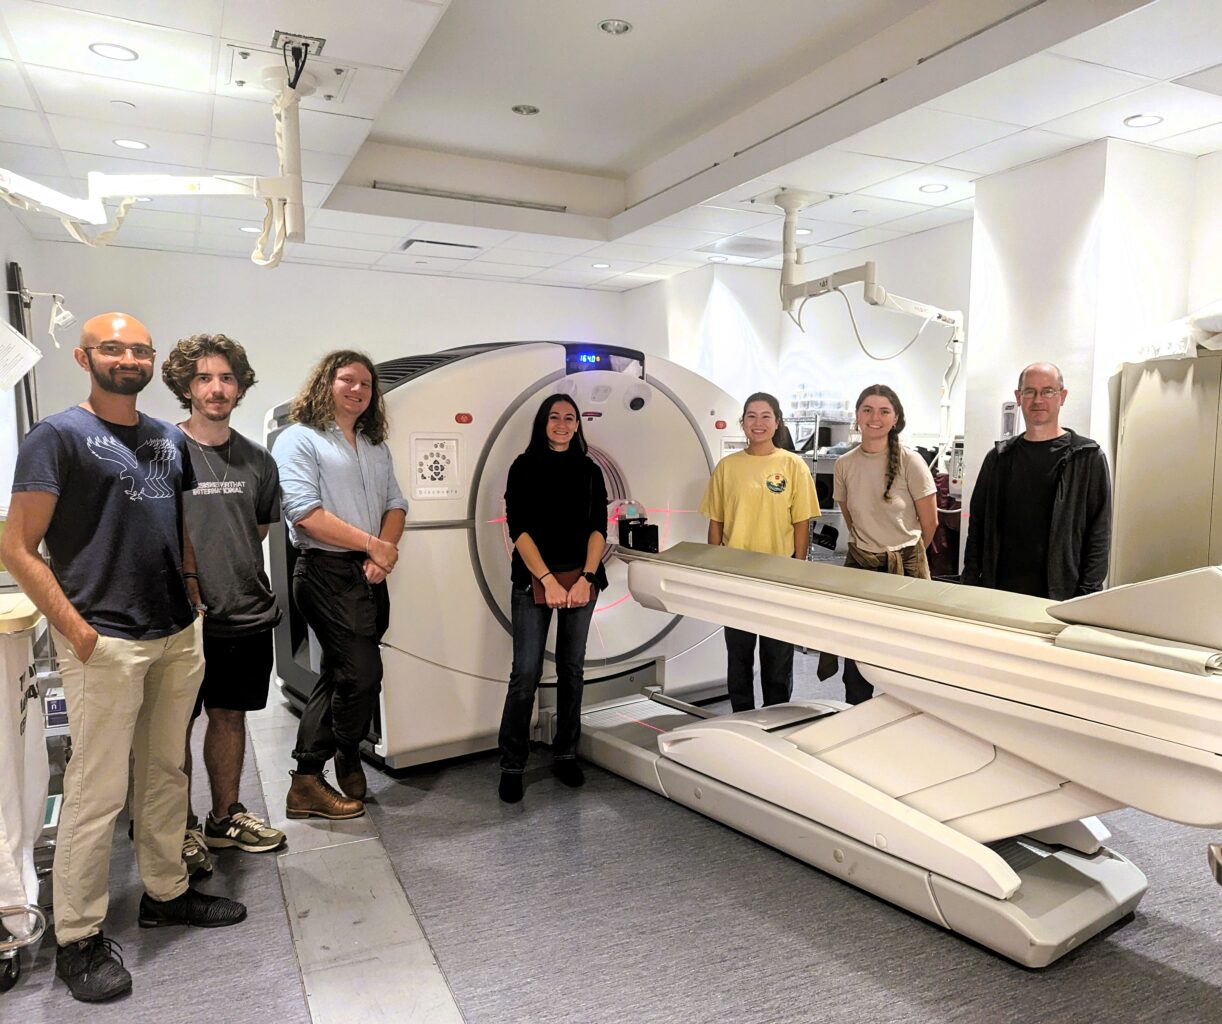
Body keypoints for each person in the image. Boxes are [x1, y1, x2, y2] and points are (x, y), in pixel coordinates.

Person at [2, 313, 246, 1004]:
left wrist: (191, 592)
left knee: (166, 773)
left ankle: (167, 892)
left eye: (139, 349)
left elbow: (178, 523)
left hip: (175, 633)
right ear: (85, 358)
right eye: (113, 348)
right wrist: (76, 631)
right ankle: (78, 937)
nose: (128, 358)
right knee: (97, 792)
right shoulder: (56, 437)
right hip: (105, 639)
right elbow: (17, 546)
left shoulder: (168, 437)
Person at [161, 334, 286, 860]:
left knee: (230, 716)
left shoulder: (258, 460)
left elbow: (256, 530)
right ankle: (179, 828)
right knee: (174, 729)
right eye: (204, 378)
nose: (217, 388)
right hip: (178, 619)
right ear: (186, 387)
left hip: (243, 611)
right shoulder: (162, 452)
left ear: (240, 386)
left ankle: (224, 817)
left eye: (227, 378)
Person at [273, 351, 408, 820]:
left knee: (340, 673)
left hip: (369, 572)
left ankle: (317, 775)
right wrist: (374, 546)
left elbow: (396, 504)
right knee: (362, 673)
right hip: (324, 570)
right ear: (325, 384)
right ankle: (329, 762)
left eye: (366, 384)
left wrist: (382, 552)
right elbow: (305, 514)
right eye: (347, 380)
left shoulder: (374, 445)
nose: (357, 390)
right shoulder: (299, 439)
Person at [497, 394, 609, 804]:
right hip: (533, 580)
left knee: (571, 670)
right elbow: (519, 529)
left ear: (578, 424)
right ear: (543, 422)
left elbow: (599, 528)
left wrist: (586, 577)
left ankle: (565, 753)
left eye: (570, 418)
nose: (562, 424)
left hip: (581, 579)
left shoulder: (590, 470)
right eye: (554, 417)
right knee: (525, 673)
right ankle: (512, 763)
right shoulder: (523, 467)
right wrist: (547, 580)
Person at [700, 392, 818, 712]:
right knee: (738, 657)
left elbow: (801, 522)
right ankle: (741, 717)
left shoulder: (793, 465)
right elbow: (716, 522)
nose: (758, 423)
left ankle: (776, 719)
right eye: (751, 416)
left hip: (778, 576)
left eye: (766, 416)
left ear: (777, 422)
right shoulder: (727, 467)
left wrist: (797, 570)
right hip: (736, 576)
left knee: (777, 658)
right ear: (743, 423)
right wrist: (713, 569)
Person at [962, 362, 1111, 600]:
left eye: (1047, 391)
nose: (1038, 400)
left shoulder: (1087, 458)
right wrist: (969, 583)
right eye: (1030, 391)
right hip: (999, 591)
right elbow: (977, 525)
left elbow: (1099, 534)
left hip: (1060, 594)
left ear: (1062, 396)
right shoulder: (999, 458)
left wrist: (1087, 596)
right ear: (1018, 397)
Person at [832, 385, 937, 704]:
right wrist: (873, 548)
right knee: (857, 656)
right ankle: (857, 713)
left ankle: (904, 717)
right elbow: (852, 518)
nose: (874, 417)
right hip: (861, 567)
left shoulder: (911, 461)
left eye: (884, 411)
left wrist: (902, 554)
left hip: (905, 571)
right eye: (867, 409)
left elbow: (930, 523)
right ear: (857, 416)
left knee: (905, 655)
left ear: (895, 419)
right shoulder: (844, 464)